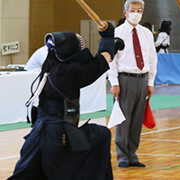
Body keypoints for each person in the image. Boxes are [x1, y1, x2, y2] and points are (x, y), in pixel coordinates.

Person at [8, 21, 117, 179]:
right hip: (59, 134)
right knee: (102, 135)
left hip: (38, 134)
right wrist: (108, 37)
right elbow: (103, 60)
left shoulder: (49, 68)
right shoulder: (70, 72)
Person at [108, 0, 158, 168]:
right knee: (124, 118)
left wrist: (150, 81)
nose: (136, 13)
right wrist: (114, 82)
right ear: (126, 13)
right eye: (133, 10)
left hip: (142, 78)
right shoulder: (117, 32)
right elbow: (111, 60)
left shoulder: (146, 33)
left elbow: (152, 58)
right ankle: (122, 155)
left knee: (137, 118)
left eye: (139, 10)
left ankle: (132, 153)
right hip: (125, 78)